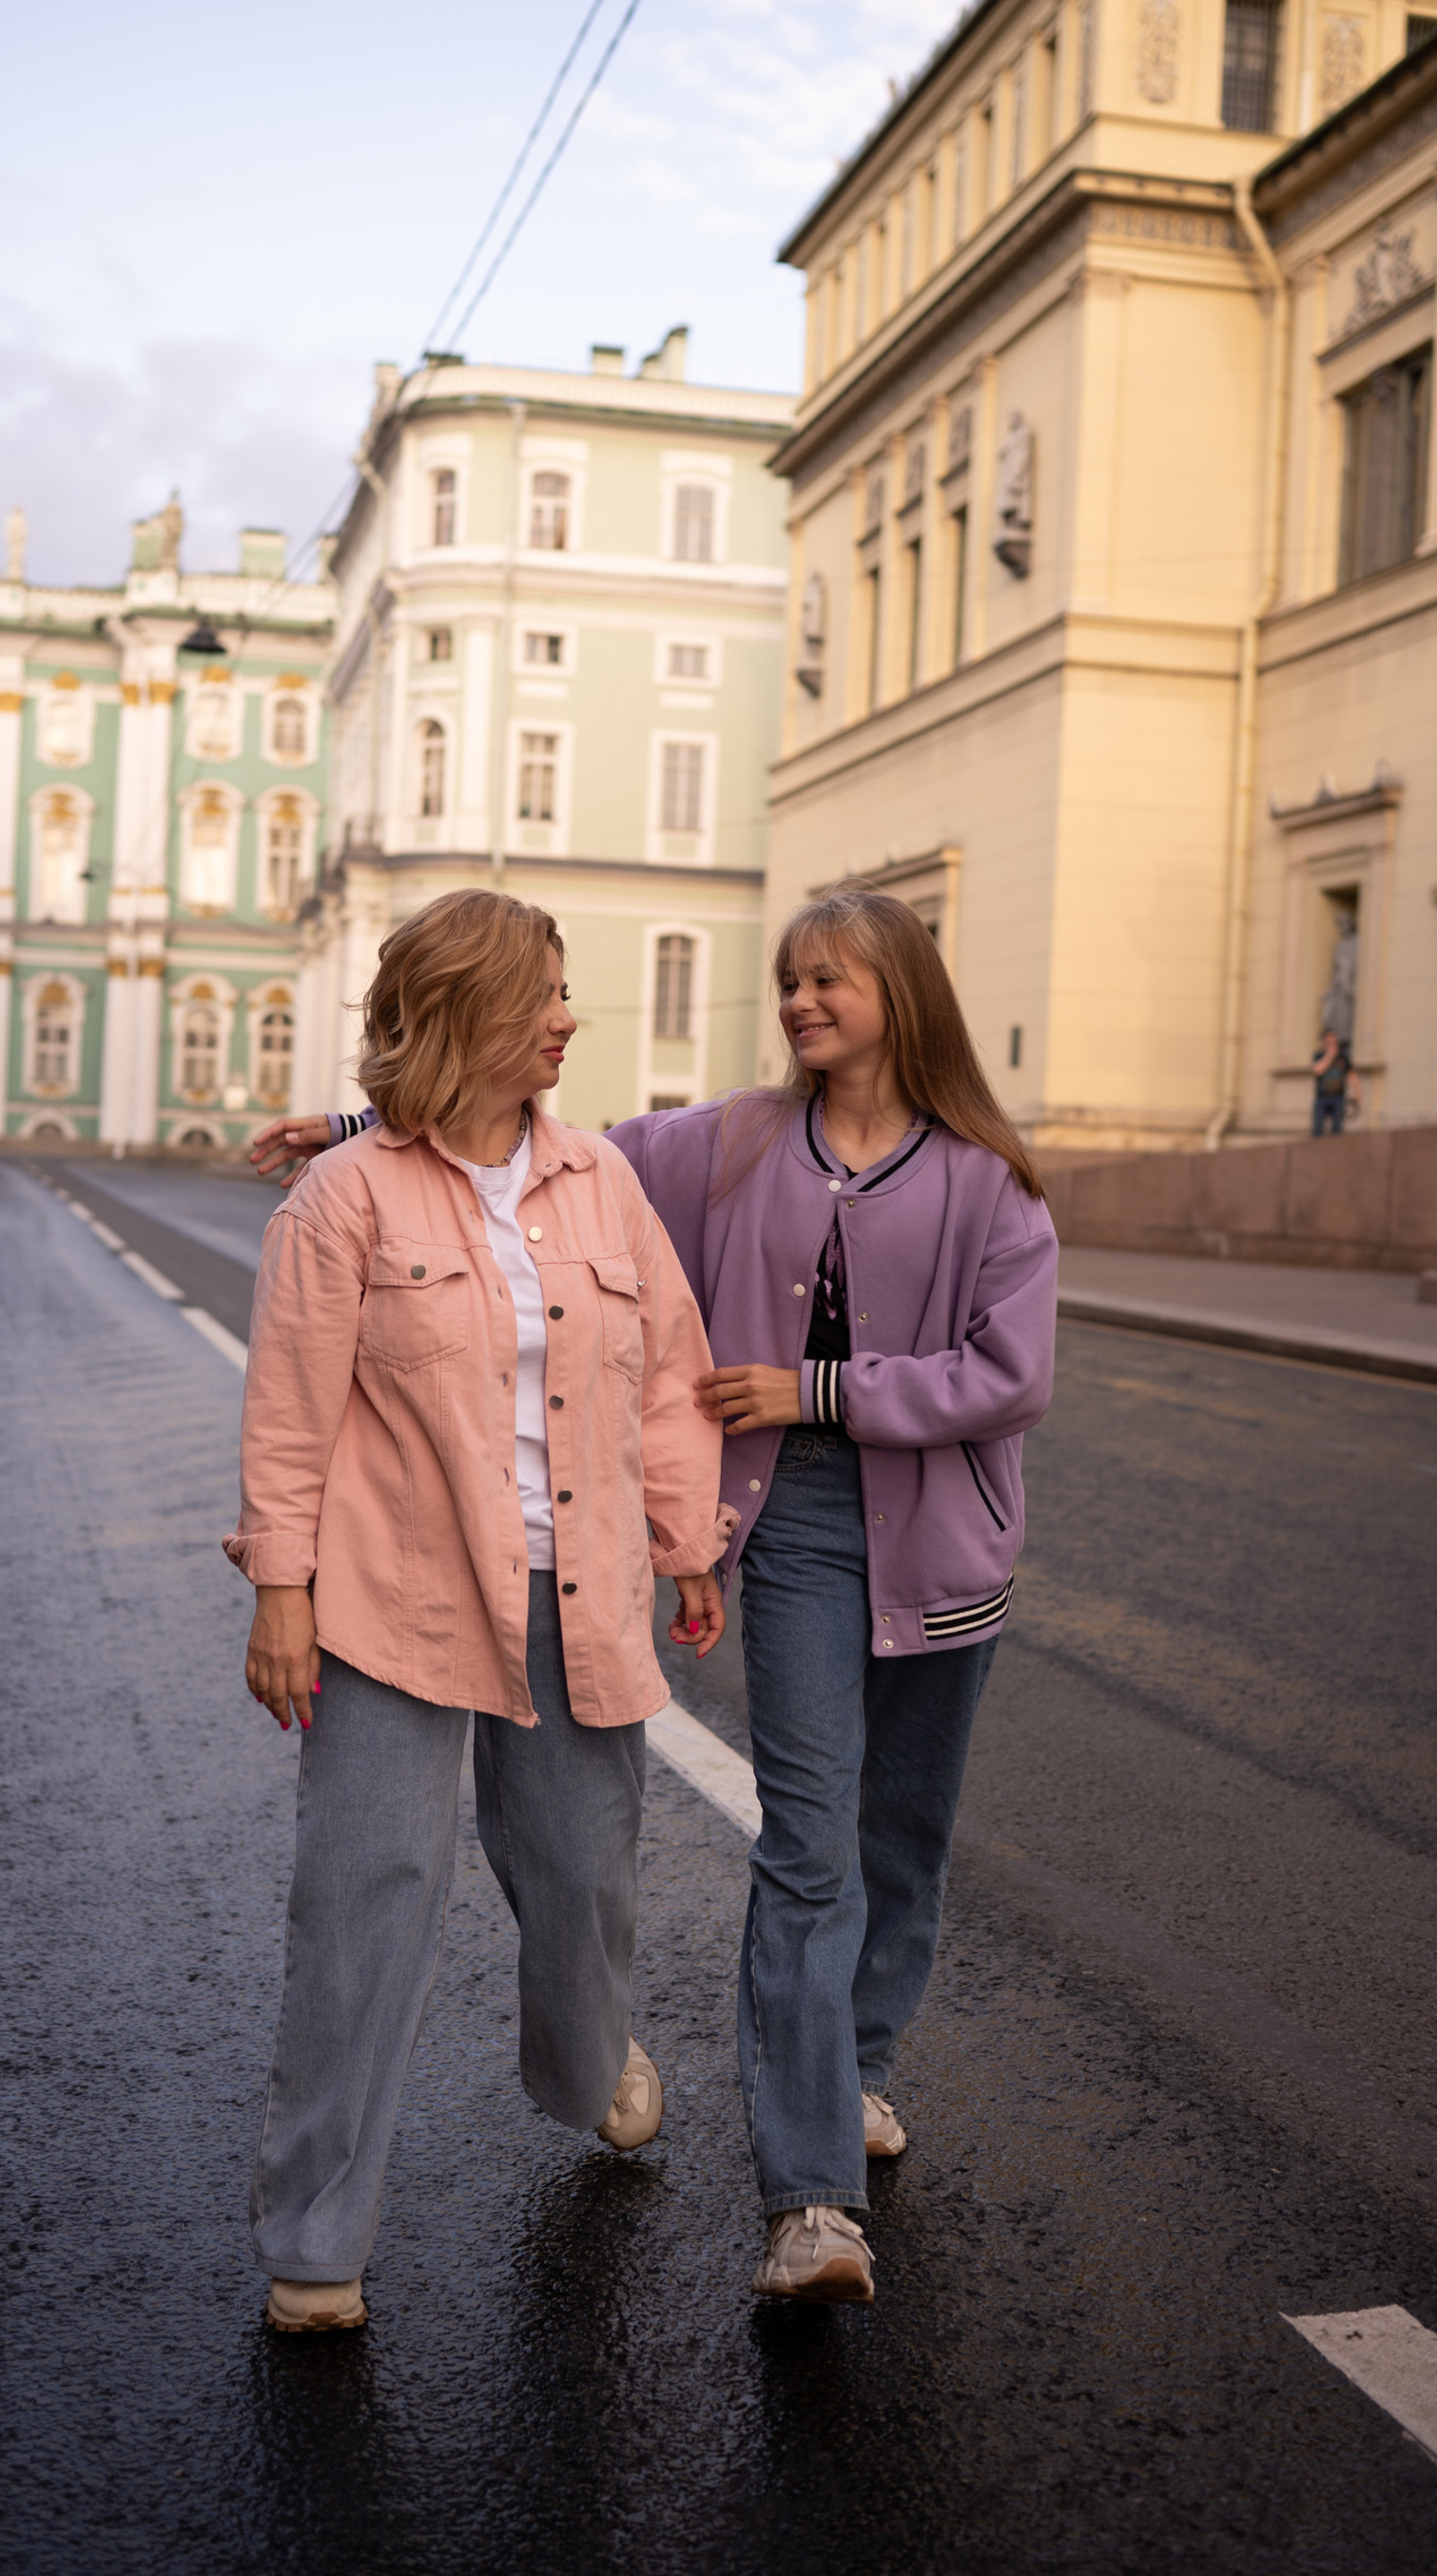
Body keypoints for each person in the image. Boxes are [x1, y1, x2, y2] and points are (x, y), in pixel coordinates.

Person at [251, 888, 1057, 2308]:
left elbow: (963, 1378)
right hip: (547, 1565)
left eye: (830, 980)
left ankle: (720, 2061)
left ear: (903, 997)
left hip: (771, 1564)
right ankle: (335, 2250)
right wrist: (284, 1587)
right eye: (791, 980)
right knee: (399, 1897)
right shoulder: (693, 1147)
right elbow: (317, 1373)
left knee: (739, 1868)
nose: (802, 1001)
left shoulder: (963, 1180)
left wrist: (742, 1477)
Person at [230, 888, 731, 2334]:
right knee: (363, 1904)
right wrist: (280, 1590)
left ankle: (591, 2066)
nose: (569, 1018)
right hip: (394, 1592)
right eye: (541, 998)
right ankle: (315, 2243)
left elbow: (671, 1369)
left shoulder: (603, 1183)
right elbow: (289, 1413)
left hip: (578, 1590)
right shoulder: (346, 1200)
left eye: (567, 993)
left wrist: (687, 1537)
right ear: (462, 1018)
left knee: (585, 1879)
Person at [1310, 1028, 1358, 1135]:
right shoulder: (1318, 1055)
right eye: (1329, 1040)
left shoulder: (1343, 1056)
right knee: (1317, 1130)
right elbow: (1318, 1071)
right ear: (1324, 1041)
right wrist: (1329, 1055)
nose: (1332, 1042)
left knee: (1337, 1130)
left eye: (1334, 1040)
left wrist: (1357, 1092)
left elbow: (1351, 1074)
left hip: (1338, 1098)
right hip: (1322, 1097)